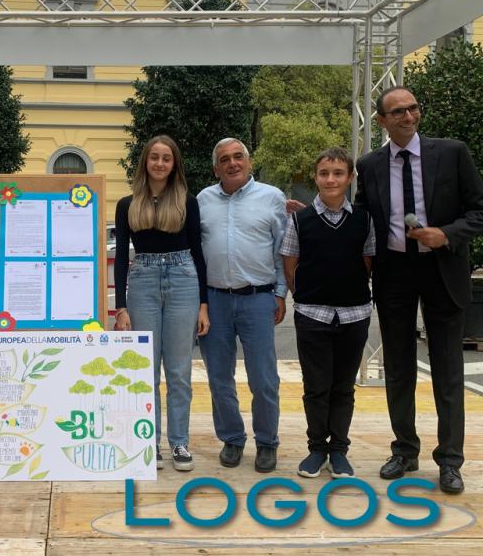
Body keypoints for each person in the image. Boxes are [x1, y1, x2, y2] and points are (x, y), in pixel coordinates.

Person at [355, 86, 483, 494]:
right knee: (398, 367)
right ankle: (405, 450)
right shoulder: (369, 165)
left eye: (412, 109)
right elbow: (362, 217)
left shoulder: (452, 152)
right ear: (381, 121)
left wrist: (446, 234)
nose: (408, 117)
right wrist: (319, 214)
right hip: (394, 272)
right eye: (397, 112)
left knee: (448, 369)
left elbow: (479, 210)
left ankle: (450, 460)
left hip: (442, 268)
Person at [113, 135, 209, 472]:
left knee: (179, 370)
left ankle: (179, 442)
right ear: (145, 161)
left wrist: (203, 304)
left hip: (183, 279)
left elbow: (198, 252)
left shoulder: (188, 202)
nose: (159, 163)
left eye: (166, 158)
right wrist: (121, 307)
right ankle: (148, 442)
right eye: (154, 157)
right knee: (146, 369)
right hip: (143, 281)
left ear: (174, 164)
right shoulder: (127, 204)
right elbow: (121, 256)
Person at [280, 147, 375, 479]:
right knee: (316, 387)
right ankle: (317, 448)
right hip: (312, 315)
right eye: (324, 173)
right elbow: (290, 265)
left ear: (349, 178)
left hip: (354, 316)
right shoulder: (299, 220)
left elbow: (367, 262)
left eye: (338, 173)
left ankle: (339, 451)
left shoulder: (364, 219)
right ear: (315, 177)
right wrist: (306, 297)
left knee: (343, 388)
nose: (331, 179)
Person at [197, 137, 288, 473]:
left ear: (248, 162)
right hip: (214, 300)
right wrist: (199, 302)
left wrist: (280, 293)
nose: (232, 163)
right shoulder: (203, 200)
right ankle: (232, 438)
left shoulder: (272, 197)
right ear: (216, 168)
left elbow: (282, 249)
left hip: (258, 298)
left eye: (238, 157)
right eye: (224, 159)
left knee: (264, 378)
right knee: (219, 378)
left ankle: (267, 442)